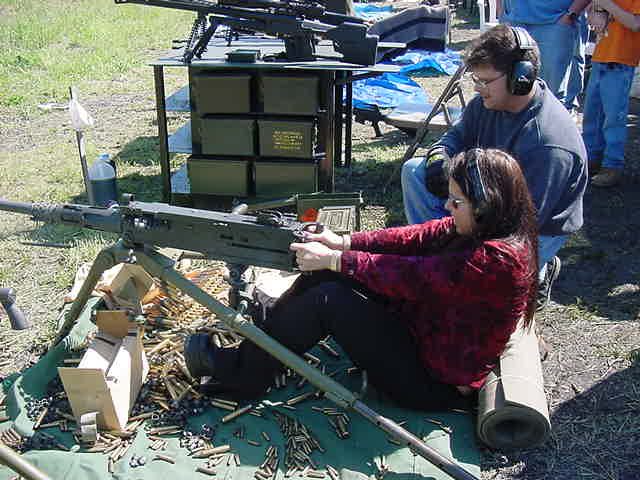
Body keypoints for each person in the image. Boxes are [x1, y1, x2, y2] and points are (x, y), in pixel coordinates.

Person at [184, 148, 539, 410]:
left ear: (485, 205)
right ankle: (270, 339)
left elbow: (414, 277)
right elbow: (413, 238)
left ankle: (242, 376)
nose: (448, 207)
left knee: (329, 300)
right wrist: (343, 242)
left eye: (456, 202)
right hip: (422, 335)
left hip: (432, 382)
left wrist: (337, 259)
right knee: (326, 275)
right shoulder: (481, 228)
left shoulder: (498, 261)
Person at [401, 24, 588, 310]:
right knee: (415, 171)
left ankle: (537, 271)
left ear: (521, 78)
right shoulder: (486, 103)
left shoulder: (548, 144)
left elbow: (524, 221)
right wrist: (439, 156)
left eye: (485, 81)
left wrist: (470, 228)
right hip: (488, 198)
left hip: (536, 226)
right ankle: (438, 257)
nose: (477, 88)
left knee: (482, 294)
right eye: (475, 79)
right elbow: (455, 136)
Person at [582, 0, 640, 188]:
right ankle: (590, 157)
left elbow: (635, 23)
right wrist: (595, 12)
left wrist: (606, 5)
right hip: (600, 57)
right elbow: (591, 11)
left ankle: (612, 164)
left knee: (614, 118)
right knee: (592, 114)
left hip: (621, 61)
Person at [498, 0, 591, 105]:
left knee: (552, 96)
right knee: (511, 88)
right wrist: (501, 12)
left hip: (555, 21)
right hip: (513, 19)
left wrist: (571, 14)